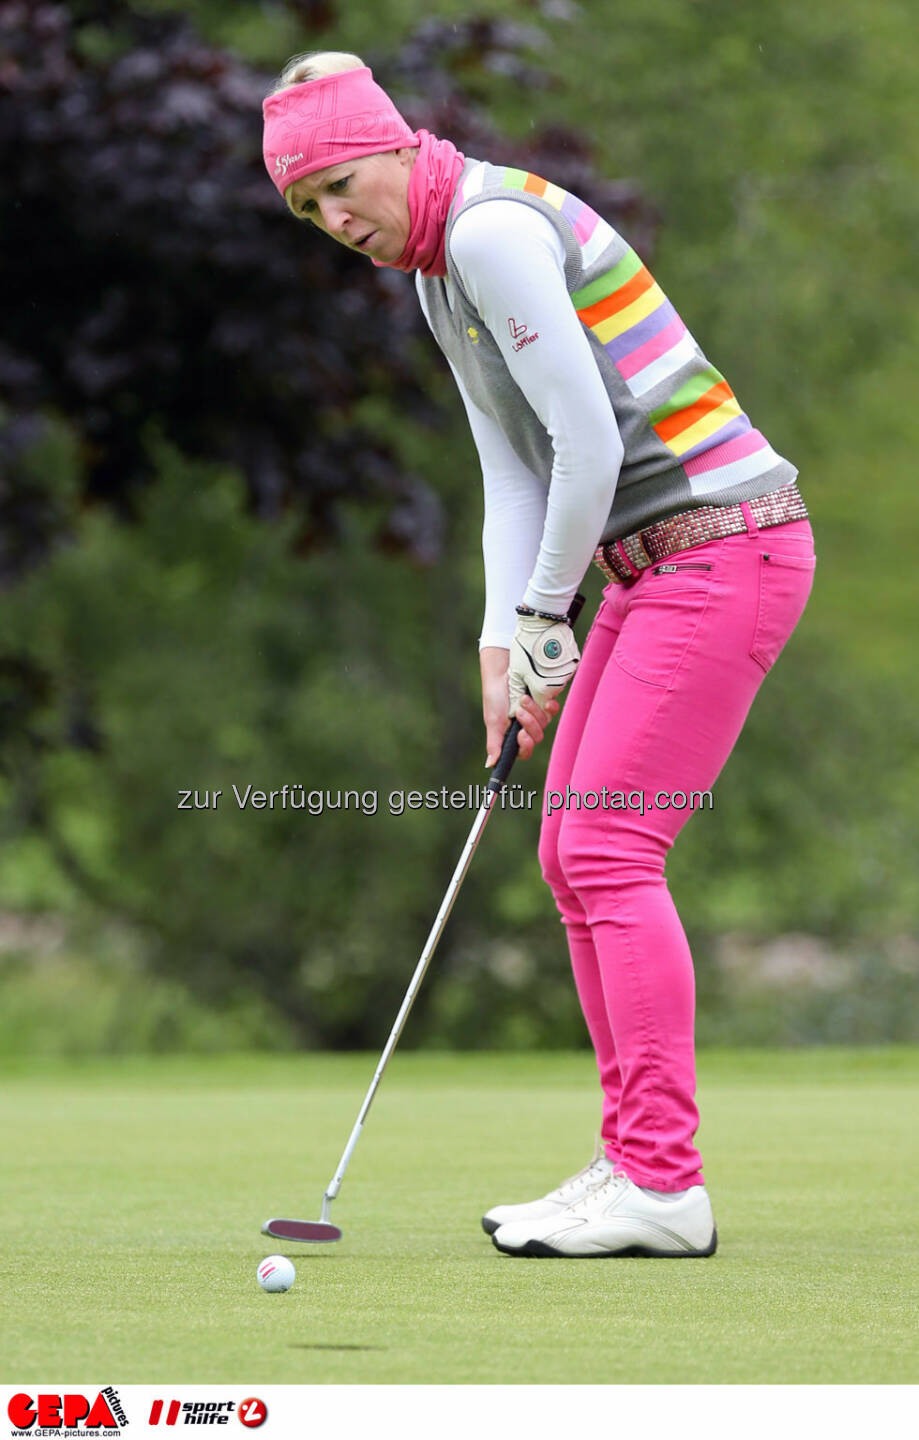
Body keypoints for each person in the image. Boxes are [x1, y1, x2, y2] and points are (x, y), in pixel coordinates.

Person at [262, 53, 816, 1259]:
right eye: (308, 209)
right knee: (571, 854)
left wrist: (543, 616)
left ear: (398, 147)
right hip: (647, 567)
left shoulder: (491, 232)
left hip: (724, 547)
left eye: (341, 186)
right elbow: (512, 470)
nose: (335, 221)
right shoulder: (436, 272)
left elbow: (590, 447)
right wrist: (498, 643)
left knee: (610, 848)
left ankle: (661, 1183)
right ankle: (631, 1165)